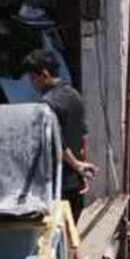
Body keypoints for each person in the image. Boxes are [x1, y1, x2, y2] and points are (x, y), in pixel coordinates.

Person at [24, 48, 95, 218]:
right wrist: (82, 167)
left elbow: (58, 142)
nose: (31, 83)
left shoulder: (47, 104)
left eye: (32, 78)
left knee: (57, 234)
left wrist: (77, 165)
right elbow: (83, 134)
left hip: (57, 182)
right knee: (72, 231)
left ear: (44, 74)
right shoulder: (74, 95)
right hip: (75, 180)